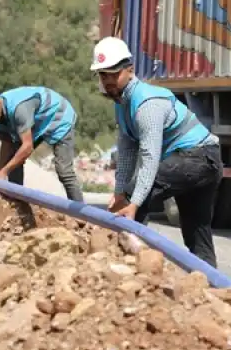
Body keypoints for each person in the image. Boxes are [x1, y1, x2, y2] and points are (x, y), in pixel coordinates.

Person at [90, 36, 223, 267]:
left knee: (136, 200)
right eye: (103, 75)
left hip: (198, 158)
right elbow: (128, 152)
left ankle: (125, 267)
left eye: (113, 74)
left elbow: (149, 157)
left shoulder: (146, 104)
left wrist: (132, 201)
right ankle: (211, 289)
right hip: (200, 161)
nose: (108, 81)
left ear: (129, 70)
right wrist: (120, 191)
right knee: (196, 233)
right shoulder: (123, 105)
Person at [0, 81, 84, 202]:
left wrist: (4, 171)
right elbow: (7, 144)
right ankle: (17, 203)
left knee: (64, 171)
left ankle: (81, 214)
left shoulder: (19, 109)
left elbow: (27, 147)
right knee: (15, 158)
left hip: (58, 116)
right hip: (36, 122)